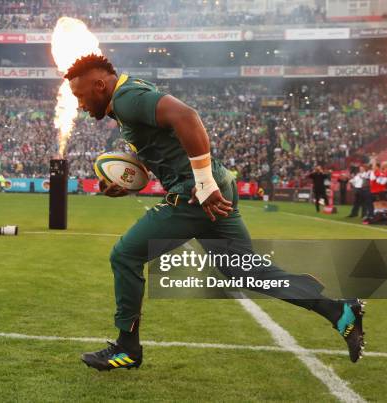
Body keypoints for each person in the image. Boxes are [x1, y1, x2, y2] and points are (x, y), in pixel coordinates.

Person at [65, 54, 365, 371]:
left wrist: (204, 184)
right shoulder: (128, 97)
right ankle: (339, 312)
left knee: (125, 255)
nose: (80, 105)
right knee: (247, 271)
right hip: (214, 190)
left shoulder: (126, 98)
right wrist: (127, 182)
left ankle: (127, 348)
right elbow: (165, 150)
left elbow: (187, 116)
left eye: (80, 96)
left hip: (195, 195)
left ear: (99, 85)